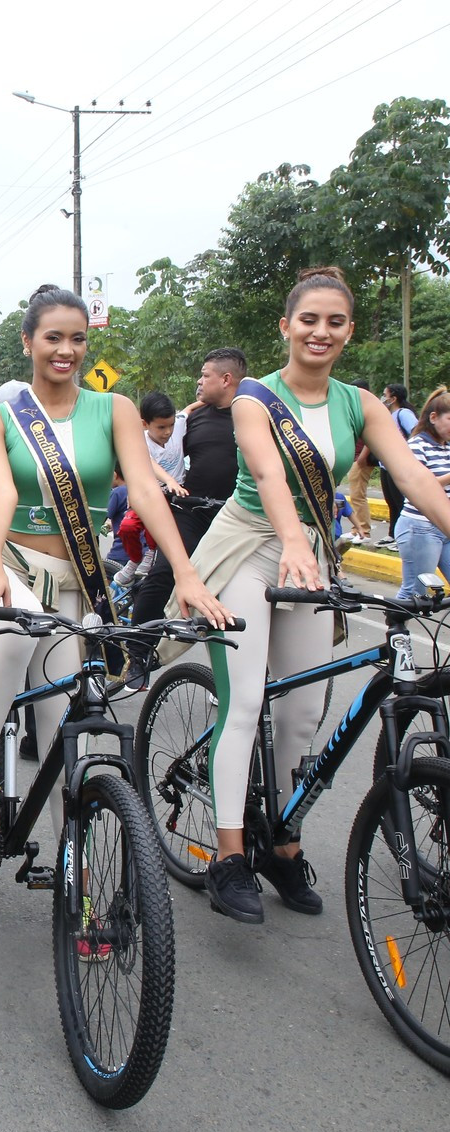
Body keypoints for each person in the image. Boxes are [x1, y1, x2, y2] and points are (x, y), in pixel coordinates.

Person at [188, 268, 450, 925]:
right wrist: (295, 542)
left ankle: (281, 841)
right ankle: (225, 856)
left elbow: (413, 474)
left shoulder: (360, 404)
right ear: (286, 327)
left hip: (311, 558)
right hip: (248, 548)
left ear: (349, 332)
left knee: (302, 714)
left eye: (335, 322)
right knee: (246, 701)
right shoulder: (253, 397)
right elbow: (269, 472)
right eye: (309, 320)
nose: (320, 332)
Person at [0, 285, 228, 835]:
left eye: (78, 339)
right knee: (11, 631)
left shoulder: (114, 409)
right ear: (28, 341)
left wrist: (187, 575)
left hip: (72, 585)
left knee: (59, 745)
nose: (66, 350)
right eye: (53, 337)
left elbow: (145, 490)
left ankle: (78, 895)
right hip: (4, 568)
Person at [126, 348, 246, 687]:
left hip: (236, 519)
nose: (199, 380)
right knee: (163, 575)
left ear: (226, 379)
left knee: (236, 593)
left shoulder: (253, 412)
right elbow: (160, 447)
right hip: (190, 512)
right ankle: (138, 654)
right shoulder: (193, 419)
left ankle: (240, 674)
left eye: (205, 375)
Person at [393, 387, 450, 599]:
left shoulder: (446, 446)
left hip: (444, 525)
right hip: (420, 527)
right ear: (434, 417)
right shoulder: (417, 445)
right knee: (415, 591)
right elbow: (419, 486)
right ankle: (397, 628)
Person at [377, 381, 418, 547]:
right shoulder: (386, 414)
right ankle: (392, 534)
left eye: (385, 395)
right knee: (391, 501)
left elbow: (415, 432)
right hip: (385, 464)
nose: (383, 398)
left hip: (397, 464)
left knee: (400, 501)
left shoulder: (404, 413)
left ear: (393, 398)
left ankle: (403, 537)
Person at [342, 380, 376, 544]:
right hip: (355, 457)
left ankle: (364, 531)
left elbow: (372, 438)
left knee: (358, 495)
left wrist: (362, 457)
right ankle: (357, 529)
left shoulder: (367, 409)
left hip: (361, 460)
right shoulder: (356, 408)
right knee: (355, 495)